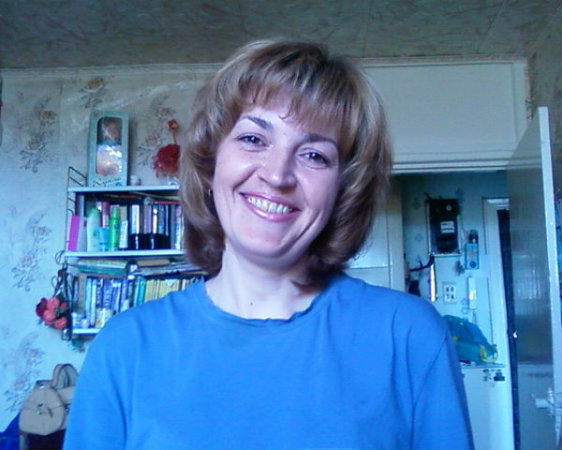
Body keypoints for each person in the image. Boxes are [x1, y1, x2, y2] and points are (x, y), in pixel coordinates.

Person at [64, 40, 473, 449]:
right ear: (210, 165)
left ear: (343, 190)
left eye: (314, 155)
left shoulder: (409, 336)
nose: (278, 175)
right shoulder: (125, 347)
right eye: (253, 139)